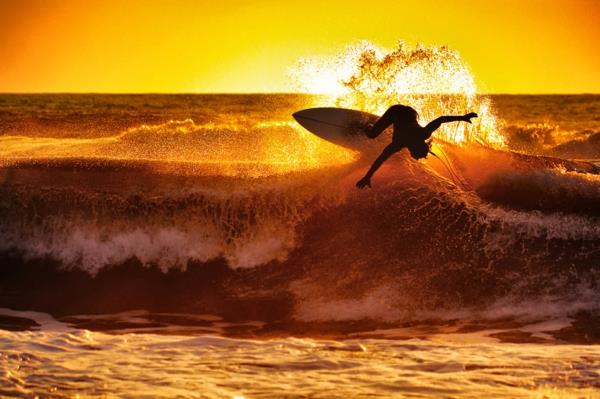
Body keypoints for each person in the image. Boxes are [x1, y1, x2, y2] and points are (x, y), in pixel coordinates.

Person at [356, 105, 478, 188]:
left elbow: (441, 119)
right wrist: (367, 177)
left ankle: (382, 125)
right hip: (395, 111)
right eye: (416, 156)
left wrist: (463, 117)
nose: (415, 158)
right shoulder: (398, 143)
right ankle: (366, 126)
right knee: (372, 135)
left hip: (412, 112)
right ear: (415, 148)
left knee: (400, 126)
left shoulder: (424, 133)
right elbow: (380, 159)